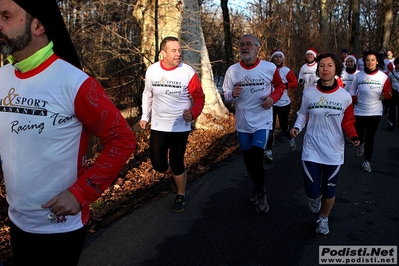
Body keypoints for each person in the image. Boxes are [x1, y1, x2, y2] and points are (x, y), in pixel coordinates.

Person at [0, 0, 137, 265]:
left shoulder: (74, 82)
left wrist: (81, 193)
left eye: (6, 16)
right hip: (17, 220)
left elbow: (122, 139)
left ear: (38, 25)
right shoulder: (2, 77)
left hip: (59, 226)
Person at [290, 53, 360, 235]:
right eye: (322, 65)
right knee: (312, 189)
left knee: (329, 191)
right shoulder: (309, 93)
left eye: (330, 65)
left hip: (334, 150)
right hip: (311, 148)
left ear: (336, 69)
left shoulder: (344, 96)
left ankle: (323, 218)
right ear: (317, 69)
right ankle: (314, 198)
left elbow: (348, 121)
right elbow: (303, 114)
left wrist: (353, 136)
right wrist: (297, 127)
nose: (325, 69)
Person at [140, 36, 205, 213]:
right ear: (163, 53)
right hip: (159, 126)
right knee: (158, 165)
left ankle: (181, 195)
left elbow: (199, 97)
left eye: (179, 50)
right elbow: (147, 94)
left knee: (177, 162)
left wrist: (192, 113)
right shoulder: (152, 71)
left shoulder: (187, 72)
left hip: (180, 126)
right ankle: (176, 177)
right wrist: (145, 116)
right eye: (174, 50)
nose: (178, 54)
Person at [223, 34, 285, 213]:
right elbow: (226, 95)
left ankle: (261, 193)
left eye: (248, 44)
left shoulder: (269, 67)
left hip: (262, 121)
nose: (245, 47)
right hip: (243, 123)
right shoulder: (232, 71)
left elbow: (280, 86)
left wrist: (272, 99)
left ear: (257, 48)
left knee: (257, 156)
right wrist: (232, 94)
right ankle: (257, 187)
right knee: (249, 162)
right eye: (241, 44)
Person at [348, 50, 392, 172]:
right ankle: (360, 143)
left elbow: (388, 92)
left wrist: (385, 96)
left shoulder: (383, 76)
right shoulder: (358, 76)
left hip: (375, 112)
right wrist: (354, 98)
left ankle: (367, 161)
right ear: (364, 62)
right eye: (367, 60)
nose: (370, 62)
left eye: (373, 60)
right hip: (359, 111)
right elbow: (351, 90)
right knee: (359, 135)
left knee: (370, 137)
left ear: (377, 61)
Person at [264, 48, 298, 162]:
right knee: (270, 127)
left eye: (280, 57)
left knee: (283, 126)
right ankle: (268, 150)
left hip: (284, 103)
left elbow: (295, 83)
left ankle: (290, 138)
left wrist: (285, 85)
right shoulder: (267, 69)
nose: (278, 59)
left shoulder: (286, 70)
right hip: (271, 103)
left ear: (282, 58)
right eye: (275, 57)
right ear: (272, 58)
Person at [387, 57, 399, 130]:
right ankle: (391, 123)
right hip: (393, 93)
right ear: (395, 64)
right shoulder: (390, 74)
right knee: (392, 109)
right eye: (398, 64)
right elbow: (388, 84)